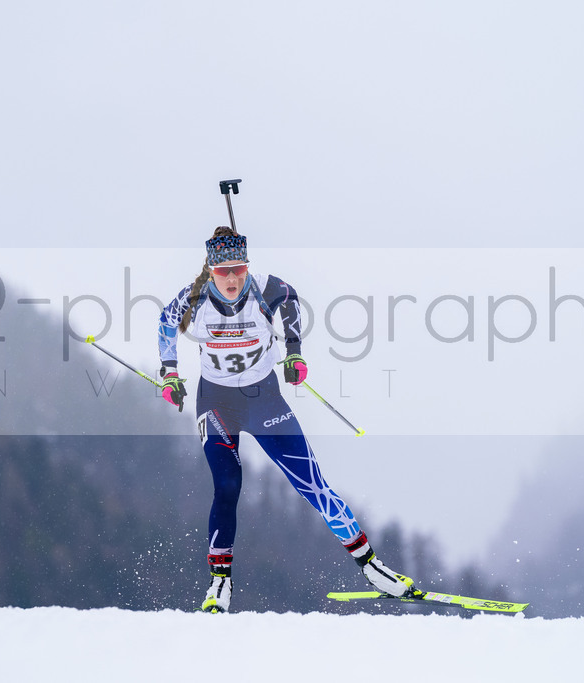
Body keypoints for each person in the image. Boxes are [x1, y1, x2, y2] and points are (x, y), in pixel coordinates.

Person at [157, 226, 420, 613]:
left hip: (264, 401)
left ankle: (371, 567)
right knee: (227, 486)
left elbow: (291, 299)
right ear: (210, 270)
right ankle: (219, 583)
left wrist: (295, 352)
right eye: (223, 271)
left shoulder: (264, 287)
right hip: (216, 403)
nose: (231, 278)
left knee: (312, 483)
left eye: (238, 269)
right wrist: (169, 373)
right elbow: (165, 323)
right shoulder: (193, 300)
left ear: (247, 266)